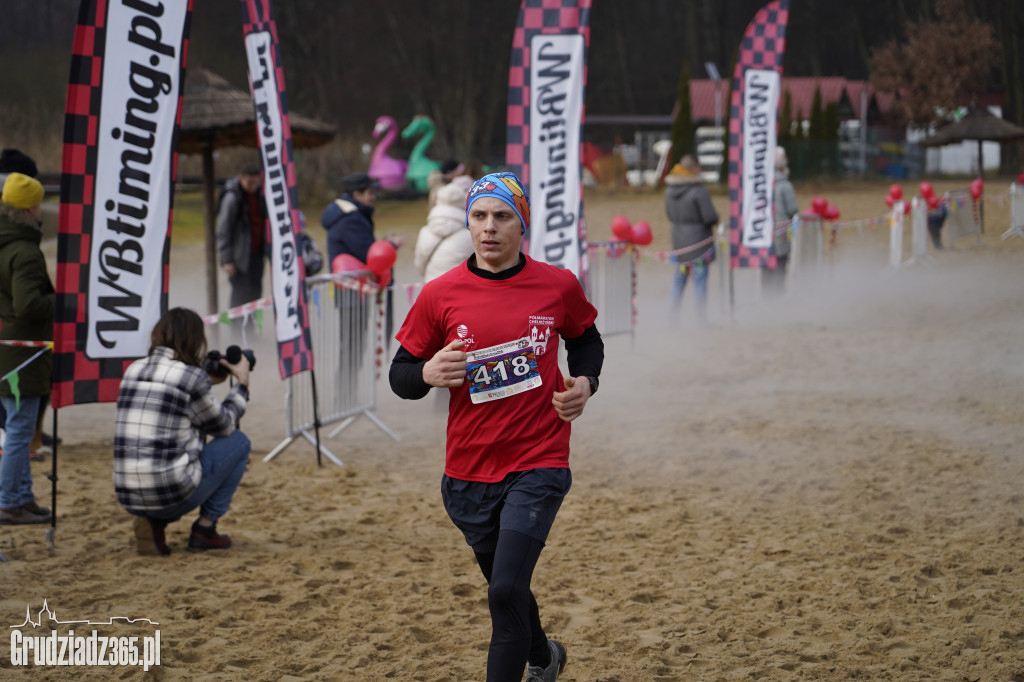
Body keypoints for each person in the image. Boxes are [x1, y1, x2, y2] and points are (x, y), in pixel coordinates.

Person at [390, 171, 604, 682]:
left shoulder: (557, 285)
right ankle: (543, 658)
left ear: (521, 224)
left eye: (502, 216)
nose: (489, 228)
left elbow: (586, 340)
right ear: (468, 221)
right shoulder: (440, 294)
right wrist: (426, 372)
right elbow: (402, 377)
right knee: (507, 587)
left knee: (505, 589)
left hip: (539, 460)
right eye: (480, 216)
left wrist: (586, 383)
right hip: (467, 472)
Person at [113, 307, 251, 555]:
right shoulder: (191, 378)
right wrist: (241, 383)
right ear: (195, 340)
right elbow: (224, 425)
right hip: (169, 494)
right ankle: (205, 529)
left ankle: (153, 522)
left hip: (127, 495)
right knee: (238, 442)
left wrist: (205, 381)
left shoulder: (132, 370)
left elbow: (173, 399)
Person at [0, 173, 53, 525]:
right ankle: (8, 501)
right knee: (20, 429)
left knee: (20, 425)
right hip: (22, 354)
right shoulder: (25, 251)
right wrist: (60, 302)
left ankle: (21, 496)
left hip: (11, 350)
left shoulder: (7, 243)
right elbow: (28, 304)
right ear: (30, 207)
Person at [664, 155, 719, 323]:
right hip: (699, 244)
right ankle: (701, 319)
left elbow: (670, 216)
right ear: (694, 169)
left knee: (678, 281)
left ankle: (672, 318)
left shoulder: (668, 191)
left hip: (679, 243)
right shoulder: (698, 191)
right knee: (700, 282)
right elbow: (709, 217)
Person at [216, 163, 267, 309]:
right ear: (241, 179)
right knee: (240, 296)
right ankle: (237, 330)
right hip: (239, 258)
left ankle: (250, 329)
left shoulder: (261, 196)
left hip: (257, 255)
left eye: (255, 182)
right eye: (249, 182)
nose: (252, 185)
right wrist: (227, 260)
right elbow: (223, 230)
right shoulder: (232, 198)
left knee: (255, 294)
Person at [414, 180, 475, 282]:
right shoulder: (470, 235)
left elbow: (420, 266)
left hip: (431, 287)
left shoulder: (425, 231)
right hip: (459, 288)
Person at [766, 146, 798, 297]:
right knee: (780, 267)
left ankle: (766, 298)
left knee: (766, 269)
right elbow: (793, 209)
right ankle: (778, 298)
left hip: (763, 235)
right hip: (781, 235)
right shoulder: (785, 185)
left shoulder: (762, 185)